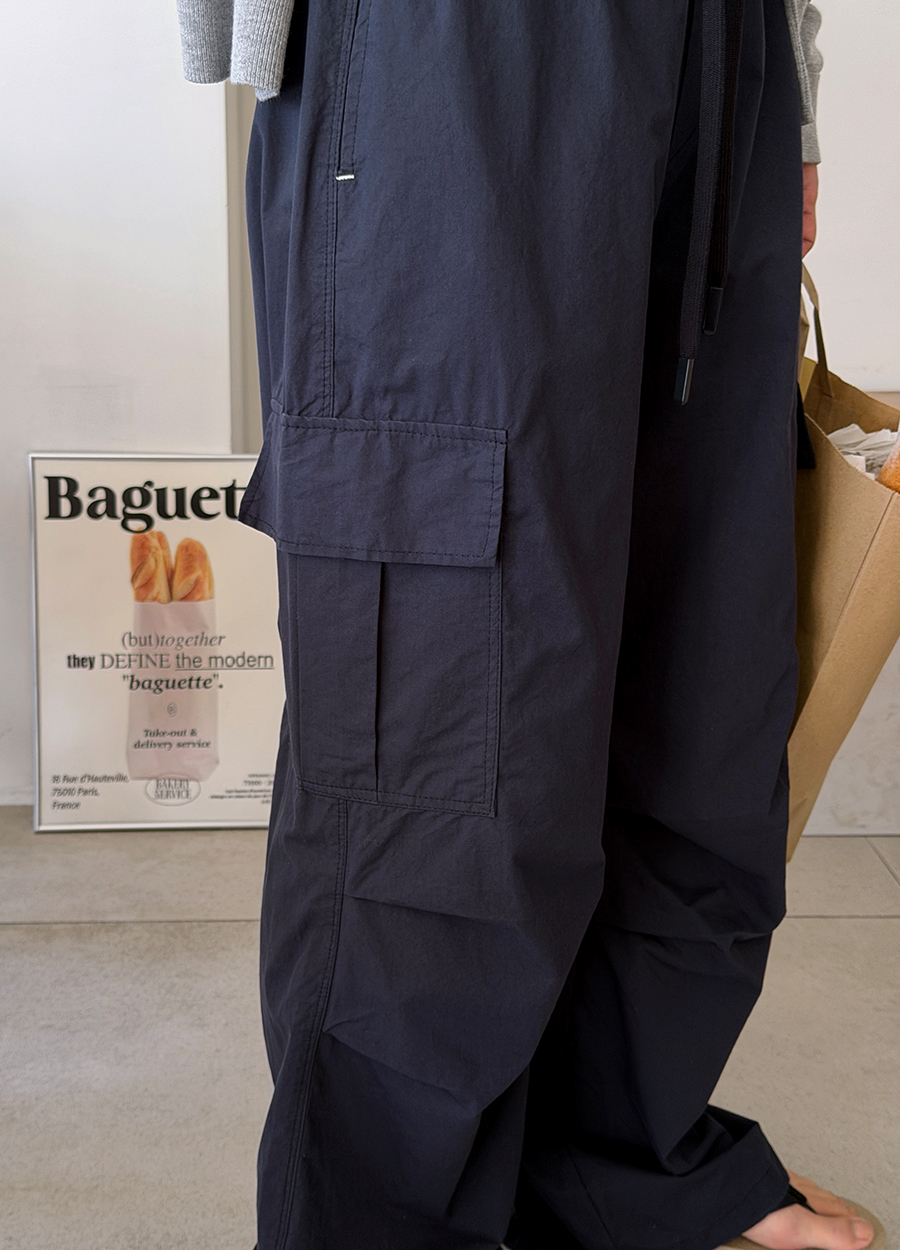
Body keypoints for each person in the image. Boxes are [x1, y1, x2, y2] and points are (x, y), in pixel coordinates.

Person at [177, 3, 885, 1249]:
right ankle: (378, 1218)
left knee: (699, 676)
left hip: (720, 50)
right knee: (444, 710)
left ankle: (618, 1161)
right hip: (459, 51)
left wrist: (793, 92)